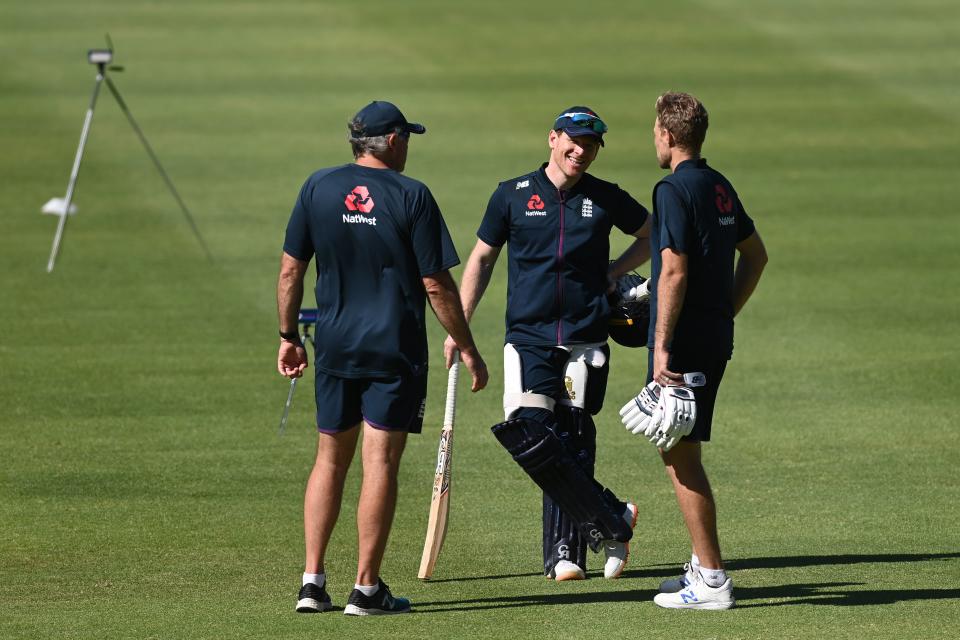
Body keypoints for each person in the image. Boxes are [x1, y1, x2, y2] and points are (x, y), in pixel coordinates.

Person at [276, 100, 488, 616]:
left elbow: (289, 272)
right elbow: (435, 283)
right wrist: (466, 343)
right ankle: (366, 588)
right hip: (394, 351)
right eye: (407, 138)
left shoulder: (317, 187)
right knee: (380, 463)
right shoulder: (412, 194)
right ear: (393, 140)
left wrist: (288, 335)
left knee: (330, 458)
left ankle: (311, 582)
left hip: (334, 346)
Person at [444, 107, 651, 581]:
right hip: (529, 337)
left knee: (574, 436)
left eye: (592, 145)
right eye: (574, 141)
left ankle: (567, 554)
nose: (582, 151)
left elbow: (653, 231)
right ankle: (613, 515)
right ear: (553, 139)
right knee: (530, 432)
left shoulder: (605, 197)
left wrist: (615, 272)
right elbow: (481, 260)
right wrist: (460, 327)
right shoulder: (511, 196)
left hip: (586, 336)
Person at [644, 91, 768, 609]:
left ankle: (712, 580)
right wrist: (725, 314)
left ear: (668, 137)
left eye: (655, 130)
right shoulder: (719, 185)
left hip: (686, 344)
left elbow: (673, 269)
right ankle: (701, 562)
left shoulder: (672, 189)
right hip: (712, 335)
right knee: (678, 449)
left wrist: (661, 346)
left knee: (680, 456)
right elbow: (756, 257)